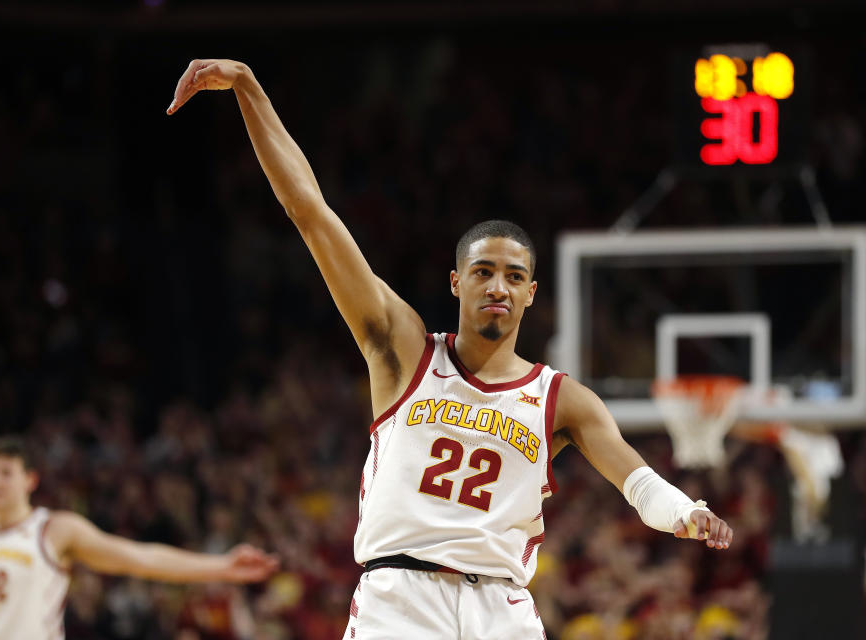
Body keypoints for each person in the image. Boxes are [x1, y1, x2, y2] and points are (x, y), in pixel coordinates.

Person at [166, 59, 734, 640]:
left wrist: (687, 512)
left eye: (513, 276)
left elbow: (637, 484)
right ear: (457, 282)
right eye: (483, 271)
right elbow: (311, 213)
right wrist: (247, 88)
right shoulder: (403, 349)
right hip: (401, 601)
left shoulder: (562, 400)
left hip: (502, 608)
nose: (497, 286)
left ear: (531, 293)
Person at [0, 436, 279, 640]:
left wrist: (220, 566)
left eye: (5, 473)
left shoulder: (55, 530)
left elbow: (138, 557)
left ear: (30, 480)